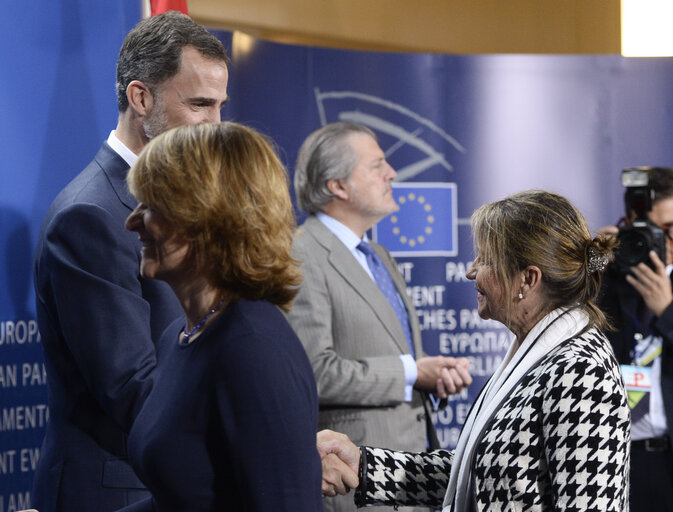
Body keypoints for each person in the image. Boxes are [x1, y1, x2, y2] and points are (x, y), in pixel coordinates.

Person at [319, 190, 631, 512]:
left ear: (527, 279)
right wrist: (363, 465)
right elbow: (482, 476)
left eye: (485, 260)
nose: (471, 271)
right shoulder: (536, 353)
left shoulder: (580, 371)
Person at [32, 11, 229, 512]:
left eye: (221, 105)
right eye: (200, 105)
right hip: (116, 493)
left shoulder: (185, 198)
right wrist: (247, 437)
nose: (216, 125)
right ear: (141, 98)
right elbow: (133, 388)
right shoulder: (90, 215)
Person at [118, 121, 322, 511]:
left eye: (152, 207)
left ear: (208, 216)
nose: (132, 221)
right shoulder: (181, 336)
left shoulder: (254, 351)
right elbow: (179, 500)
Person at [287, 121, 472, 512]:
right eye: (377, 165)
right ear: (337, 186)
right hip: (355, 487)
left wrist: (428, 379)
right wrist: (411, 373)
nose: (392, 174)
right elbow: (314, 373)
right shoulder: (303, 255)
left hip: (409, 478)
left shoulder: (379, 255)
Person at [597, 167, 673, 511]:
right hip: (612, 458)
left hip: (671, 457)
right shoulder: (609, 275)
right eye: (664, 228)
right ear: (633, 222)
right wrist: (591, 269)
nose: (671, 238)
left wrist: (667, 310)